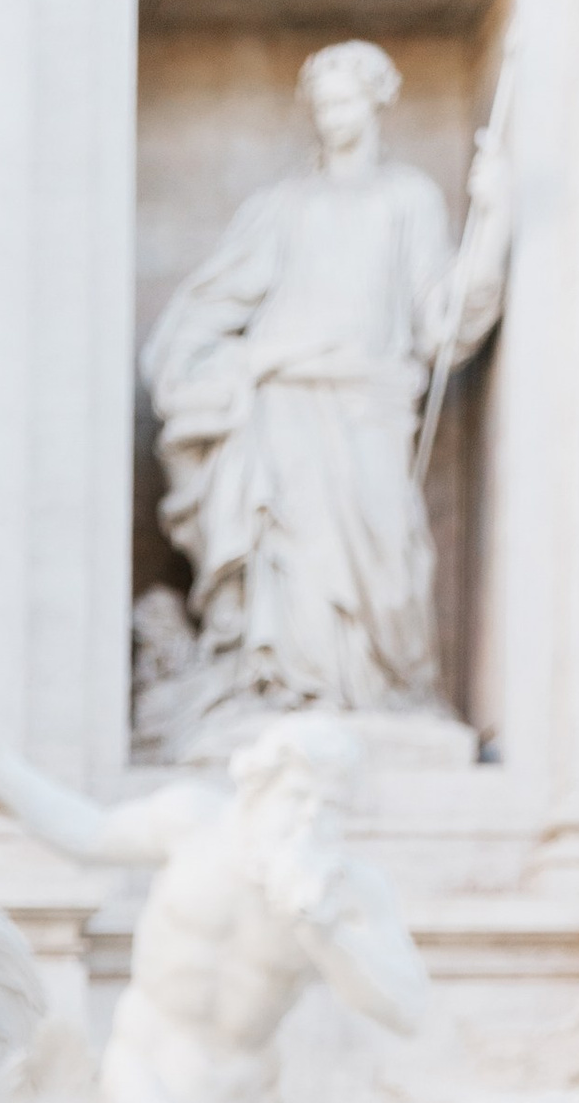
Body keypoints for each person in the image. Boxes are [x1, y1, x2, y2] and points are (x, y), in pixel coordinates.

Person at [137, 38, 509, 757]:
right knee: (294, 561)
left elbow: (442, 320)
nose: (333, 115)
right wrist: (242, 364)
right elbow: (202, 314)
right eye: (323, 102)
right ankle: (286, 689)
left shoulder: (409, 199)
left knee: (385, 565)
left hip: (370, 405)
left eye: (347, 99)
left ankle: (377, 692)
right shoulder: (281, 207)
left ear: (378, 101)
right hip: (284, 410)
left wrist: (492, 223)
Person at [0, 709, 430, 1103]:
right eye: (298, 797)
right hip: (144, 1080)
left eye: (331, 808)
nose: (309, 820)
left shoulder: (346, 889)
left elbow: (407, 1009)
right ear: (259, 790)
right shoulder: (193, 824)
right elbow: (87, 833)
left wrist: (324, 932)